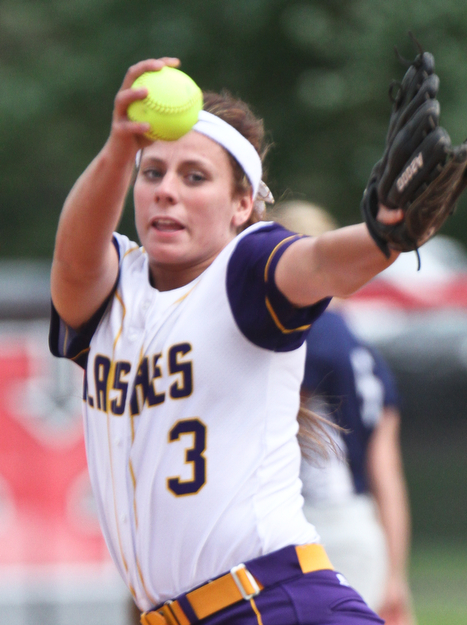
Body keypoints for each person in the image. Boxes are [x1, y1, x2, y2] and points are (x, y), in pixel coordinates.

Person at [49, 57, 406, 625]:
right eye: (153, 172)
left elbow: (319, 263)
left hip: (273, 605)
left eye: (195, 176)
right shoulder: (112, 287)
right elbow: (71, 259)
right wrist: (120, 146)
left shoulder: (245, 267)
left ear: (243, 205)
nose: (167, 191)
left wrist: (386, 235)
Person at [274, 201, 416, 625]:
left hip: (309, 526)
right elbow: (385, 473)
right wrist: (396, 571)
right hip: (360, 529)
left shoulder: (299, 336)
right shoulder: (363, 347)